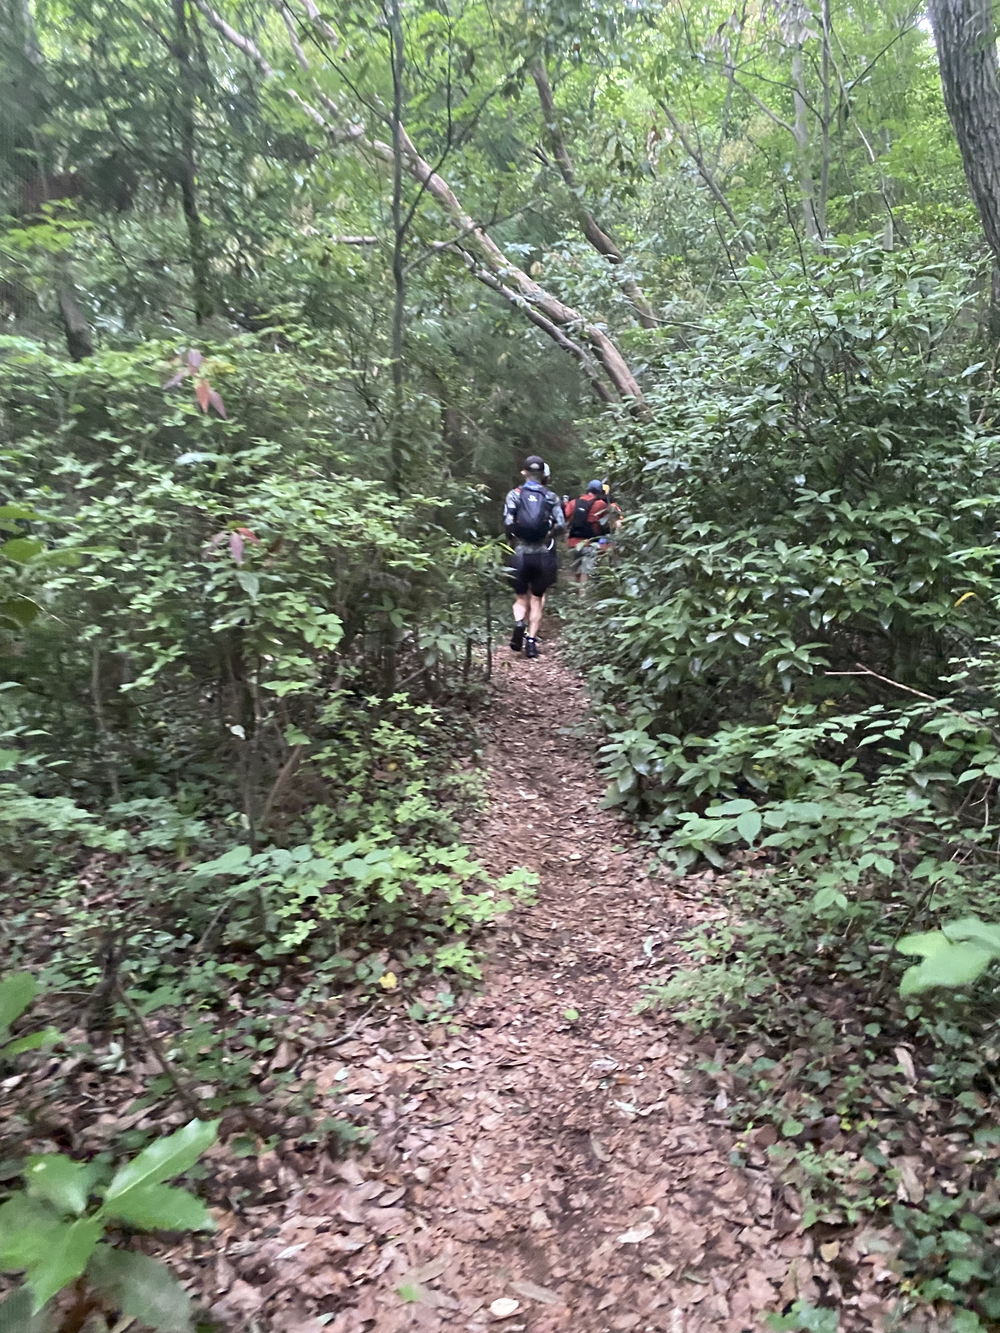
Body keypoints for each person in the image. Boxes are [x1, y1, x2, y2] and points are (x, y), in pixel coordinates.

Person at [503, 455, 565, 659]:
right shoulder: (551, 496)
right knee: (537, 599)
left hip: (520, 553)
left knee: (521, 598)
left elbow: (508, 521)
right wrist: (548, 535)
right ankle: (531, 642)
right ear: (543, 474)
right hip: (541, 554)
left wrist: (512, 539)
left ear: (524, 472)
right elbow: (562, 524)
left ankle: (519, 622)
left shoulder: (514, 494)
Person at [565, 479, 616, 584]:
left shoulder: (574, 502)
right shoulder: (601, 504)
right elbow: (607, 521)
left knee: (577, 569)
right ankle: (582, 596)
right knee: (586, 571)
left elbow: (565, 517)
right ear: (599, 492)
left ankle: (576, 592)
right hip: (590, 543)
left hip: (573, 543)